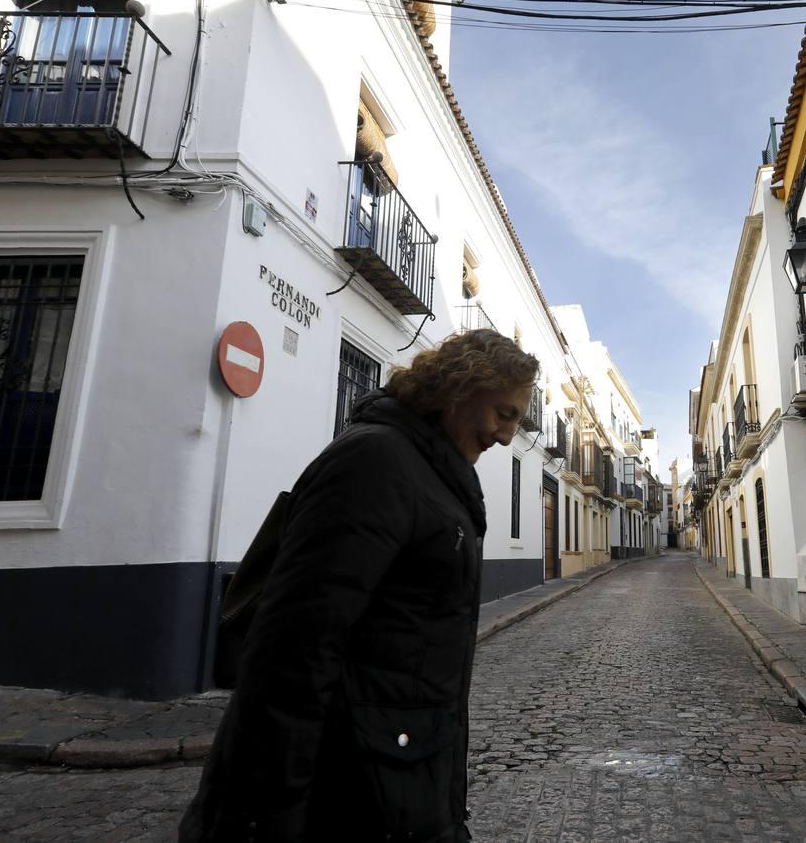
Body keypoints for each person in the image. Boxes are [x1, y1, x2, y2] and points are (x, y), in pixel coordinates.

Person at [180, 328, 538, 842]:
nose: (506, 436)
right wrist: (268, 818)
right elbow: (294, 651)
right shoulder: (375, 463)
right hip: (348, 796)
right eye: (503, 414)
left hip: (395, 782)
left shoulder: (430, 473)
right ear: (461, 387)